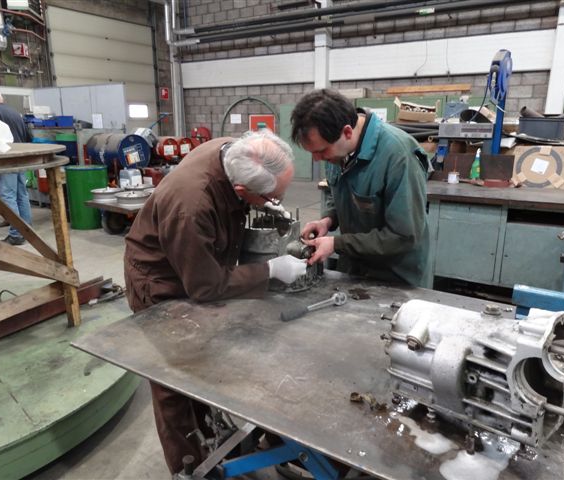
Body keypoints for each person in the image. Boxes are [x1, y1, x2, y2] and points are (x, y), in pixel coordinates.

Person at [124, 129, 306, 474]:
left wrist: (268, 204)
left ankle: (215, 442)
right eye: (273, 196)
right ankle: (190, 466)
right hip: (160, 282)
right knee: (174, 380)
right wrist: (270, 270)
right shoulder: (190, 206)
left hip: (198, 262)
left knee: (205, 365)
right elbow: (206, 286)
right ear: (241, 189)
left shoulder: (232, 151)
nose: (277, 201)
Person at [291, 88, 430, 286]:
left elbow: (404, 236)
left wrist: (337, 243)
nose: (317, 159)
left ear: (347, 132)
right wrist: (327, 220)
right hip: (354, 267)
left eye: (321, 151)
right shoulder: (337, 150)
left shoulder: (398, 156)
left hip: (395, 276)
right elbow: (340, 193)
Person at [0, 87, 33, 245]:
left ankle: (16, 234)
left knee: (8, 196)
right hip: (20, 158)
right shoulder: (15, 113)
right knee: (22, 195)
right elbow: (28, 137)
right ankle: (27, 231)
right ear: (2, 98)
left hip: (6, 159)